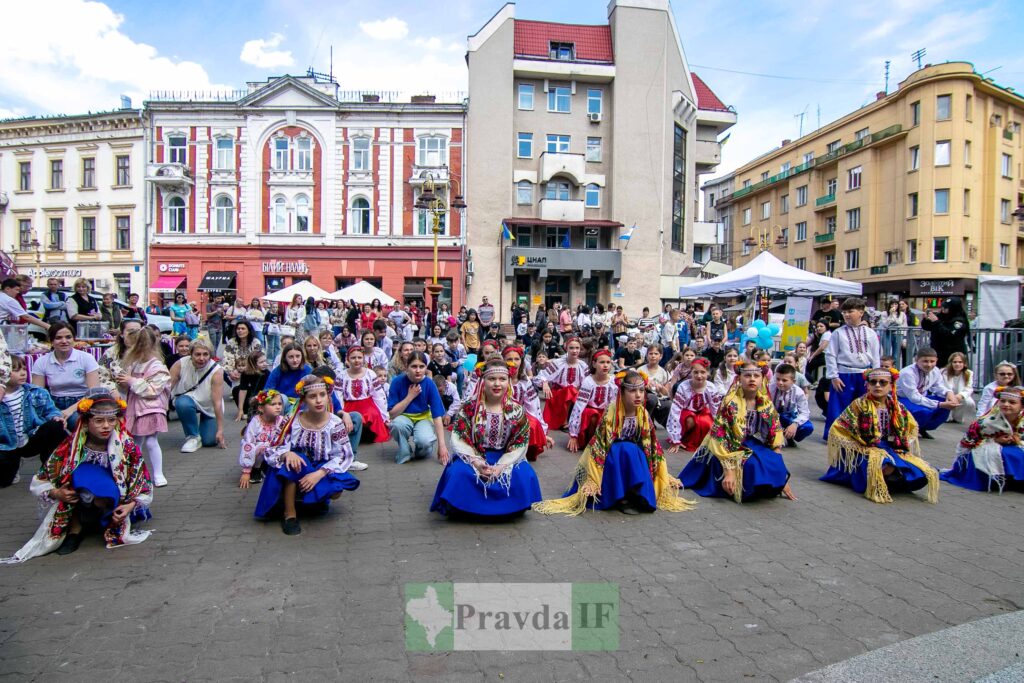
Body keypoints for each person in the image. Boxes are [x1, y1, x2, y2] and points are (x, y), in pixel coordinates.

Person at [3, 389, 152, 562]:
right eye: (99, 421)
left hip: (115, 501)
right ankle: (75, 529)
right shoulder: (70, 447)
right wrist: (57, 493)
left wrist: (131, 505)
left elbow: (142, 481)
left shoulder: (127, 446)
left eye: (111, 420)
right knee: (77, 473)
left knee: (101, 484)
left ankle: (104, 518)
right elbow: (42, 478)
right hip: (79, 500)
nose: (106, 426)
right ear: (86, 422)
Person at [533, 370, 696, 515]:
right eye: (632, 391)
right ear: (622, 392)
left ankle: (637, 493)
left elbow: (652, 444)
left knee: (635, 451)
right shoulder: (612, 412)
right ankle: (621, 495)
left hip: (633, 456)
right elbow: (601, 445)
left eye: (641, 390)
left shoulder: (643, 414)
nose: (638, 395)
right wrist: (593, 479)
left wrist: (659, 472)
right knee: (625, 450)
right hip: (611, 458)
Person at [429, 358, 542, 519]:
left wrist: (501, 466)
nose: (497, 384)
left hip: (505, 457)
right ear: (483, 381)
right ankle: (468, 506)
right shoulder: (469, 406)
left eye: (502, 379)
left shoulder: (516, 409)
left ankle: (508, 506)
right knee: (458, 473)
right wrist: (477, 463)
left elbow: (520, 442)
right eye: (492, 379)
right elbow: (460, 437)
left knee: (524, 474)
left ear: (508, 381)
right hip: (474, 454)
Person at [253, 374, 360, 535]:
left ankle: (312, 499)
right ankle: (290, 514)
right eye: (312, 396)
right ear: (304, 399)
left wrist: (319, 474)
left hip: (319, 467)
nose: (318, 401)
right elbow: (274, 446)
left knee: (337, 489)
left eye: (322, 395)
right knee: (296, 461)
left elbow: (343, 455)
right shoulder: (292, 420)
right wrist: (286, 454)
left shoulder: (335, 423)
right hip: (296, 467)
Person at [679, 361, 797, 503]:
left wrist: (781, 475)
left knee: (772, 461)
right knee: (751, 465)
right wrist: (729, 471)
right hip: (725, 446)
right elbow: (719, 438)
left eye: (756, 375)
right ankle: (744, 487)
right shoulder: (730, 402)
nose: (752, 379)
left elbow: (774, 437)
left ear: (763, 379)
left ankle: (763, 485)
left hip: (748, 441)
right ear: (739, 378)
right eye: (747, 375)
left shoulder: (765, 402)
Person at [824, 367, 939, 504]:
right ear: (867, 385)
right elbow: (839, 428)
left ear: (891, 386)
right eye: (873, 382)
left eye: (883, 383)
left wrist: (901, 442)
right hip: (864, 447)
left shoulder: (897, 407)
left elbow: (911, 427)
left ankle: (892, 478)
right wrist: (858, 444)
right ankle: (883, 478)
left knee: (926, 473)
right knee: (883, 465)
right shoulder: (859, 404)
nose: (878, 385)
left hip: (890, 447)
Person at [116, 328, 171, 487]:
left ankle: (158, 474)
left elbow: (152, 391)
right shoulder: (133, 365)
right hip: (135, 409)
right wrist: (124, 383)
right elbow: (127, 389)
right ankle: (134, 472)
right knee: (135, 442)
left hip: (150, 408)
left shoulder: (157, 367)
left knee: (151, 441)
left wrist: (131, 381)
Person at [942, 386, 1024, 493]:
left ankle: (1016, 481)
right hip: (978, 454)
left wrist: (1017, 440)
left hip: (1008, 450)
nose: (1006, 404)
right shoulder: (985, 422)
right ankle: (994, 480)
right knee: (1004, 453)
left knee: (1017, 452)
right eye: (1002, 401)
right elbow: (966, 445)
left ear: (1022, 406)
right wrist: (995, 441)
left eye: (1012, 402)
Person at [0, 356, 66, 487]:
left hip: (30, 438)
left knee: (56, 426)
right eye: (16, 370)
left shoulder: (36, 392)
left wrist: (56, 416)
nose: (23, 373)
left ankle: (50, 471)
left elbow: (51, 410)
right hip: (6, 445)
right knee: (4, 481)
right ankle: (13, 465)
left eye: (24, 369)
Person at [824, 298, 880, 438]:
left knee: (865, 406)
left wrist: (875, 377)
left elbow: (876, 355)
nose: (847, 315)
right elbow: (831, 355)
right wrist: (834, 376)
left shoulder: (871, 333)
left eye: (850, 311)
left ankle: (863, 433)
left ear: (861, 312)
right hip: (844, 373)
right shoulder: (838, 333)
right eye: (844, 312)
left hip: (864, 373)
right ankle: (836, 434)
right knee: (840, 406)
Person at [31, 323, 100, 430]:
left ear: (74, 339)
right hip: (53, 403)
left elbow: (94, 392)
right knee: (51, 425)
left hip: (82, 401)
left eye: (68, 337)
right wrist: (53, 413)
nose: (64, 341)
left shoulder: (86, 358)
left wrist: (70, 410)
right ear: (51, 341)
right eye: (58, 338)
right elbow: (37, 394)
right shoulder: (42, 362)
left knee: (75, 422)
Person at [388, 351, 449, 465]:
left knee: (424, 442)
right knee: (396, 425)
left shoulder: (429, 384)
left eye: (422, 366)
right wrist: (410, 397)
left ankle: (423, 451)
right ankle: (405, 450)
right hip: (403, 417)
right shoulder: (397, 382)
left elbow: (437, 416)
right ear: (407, 367)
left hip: (423, 418)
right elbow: (392, 414)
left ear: (426, 367)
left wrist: (442, 446)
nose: (418, 370)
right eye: (414, 366)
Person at [169, 339, 226, 453]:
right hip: (187, 400)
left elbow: (217, 402)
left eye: (205, 354)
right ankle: (193, 436)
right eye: (197, 354)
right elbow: (167, 387)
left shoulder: (217, 371)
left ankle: (204, 432)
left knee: (209, 441)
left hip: (209, 405)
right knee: (182, 403)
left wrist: (220, 430)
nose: (201, 358)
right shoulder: (180, 364)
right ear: (191, 354)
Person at [896, 347, 959, 438]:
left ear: (936, 360)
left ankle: (923, 428)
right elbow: (913, 397)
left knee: (946, 403)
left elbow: (938, 387)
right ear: (916, 360)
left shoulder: (935, 370)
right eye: (925, 361)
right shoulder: (907, 373)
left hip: (921, 396)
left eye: (932, 361)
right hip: (903, 399)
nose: (929, 365)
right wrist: (939, 404)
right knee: (924, 412)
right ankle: (909, 429)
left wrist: (949, 393)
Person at [666, 357, 722, 452]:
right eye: (695, 372)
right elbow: (675, 411)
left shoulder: (711, 388)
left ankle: (703, 440)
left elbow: (716, 410)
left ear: (708, 373)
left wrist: (720, 434)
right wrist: (674, 439)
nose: (699, 376)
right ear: (691, 372)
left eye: (703, 372)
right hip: (685, 413)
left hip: (702, 412)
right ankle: (681, 438)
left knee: (706, 422)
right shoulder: (683, 387)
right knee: (690, 420)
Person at [336, 346, 390, 444]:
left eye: (359, 357)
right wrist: (341, 411)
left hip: (367, 404)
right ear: (348, 359)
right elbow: (338, 396)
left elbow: (378, 395)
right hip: (349, 405)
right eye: (353, 358)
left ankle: (366, 436)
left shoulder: (370, 373)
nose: (356, 360)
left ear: (363, 358)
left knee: (372, 415)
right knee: (351, 419)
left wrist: (384, 416)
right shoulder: (342, 376)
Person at [567, 349, 618, 452]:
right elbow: (579, 406)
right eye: (602, 362)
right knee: (592, 414)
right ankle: (590, 441)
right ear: (594, 364)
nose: (605, 365)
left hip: (607, 413)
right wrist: (573, 435)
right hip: (590, 416)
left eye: (608, 362)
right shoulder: (588, 381)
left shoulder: (613, 381)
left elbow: (614, 404)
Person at [537, 336, 589, 431]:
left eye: (577, 348)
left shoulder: (582, 365)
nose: (574, 351)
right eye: (571, 348)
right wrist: (544, 382)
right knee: (570, 390)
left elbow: (588, 382)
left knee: (574, 391)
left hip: (575, 394)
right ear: (566, 348)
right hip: (558, 394)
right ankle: (565, 422)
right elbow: (543, 375)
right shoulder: (558, 363)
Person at [238, 389, 286, 488]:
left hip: (274, 451)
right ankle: (256, 469)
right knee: (260, 446)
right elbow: (248, 443)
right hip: (258, 453)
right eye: (273, 404)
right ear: (261, 408)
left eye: (279, 404)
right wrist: (246, 471)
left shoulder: (282, 420)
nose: (278, 407)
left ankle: (271, 468)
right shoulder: (255, 422)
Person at [770, 364, 813, 446]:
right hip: (772, 416)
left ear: (793, 381)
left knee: (808, 427)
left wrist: (795, 424)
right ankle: (773, 437)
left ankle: (789, 437)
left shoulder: (799, 392)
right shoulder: (770, 388)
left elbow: (805, 413)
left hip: (788, 417)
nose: (780, 383)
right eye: (778, 379)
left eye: (784, 380)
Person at [921, 297, 970, 367]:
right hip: (938, 352)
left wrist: (936, 322)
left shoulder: (959, 321)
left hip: (952, 354)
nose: (943, 308)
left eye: (946, 307)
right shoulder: (940, 316)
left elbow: (949, 335)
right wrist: (926, 319)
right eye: (943, 306)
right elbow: (927, 327)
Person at [640, 344, 672, 427]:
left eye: (656, 354)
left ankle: (671, 430)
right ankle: (645, 425)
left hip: (659, 399)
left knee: (669, 404)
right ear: (647, 355)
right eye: (650, 354)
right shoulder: (640, 370)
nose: (653, 356)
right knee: (651, 398)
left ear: (660, 356)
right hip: (644, 399)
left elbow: (666, 393)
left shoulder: (664, 372)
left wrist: (660, 388)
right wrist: (644, 386)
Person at [235, 350, 270, 423]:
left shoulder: (266, 373)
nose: (265, 364)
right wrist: (240, 409)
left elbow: (268, 390)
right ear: (253, 364)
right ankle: (245, 411)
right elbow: (243, 390)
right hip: (253, 394)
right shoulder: (246, 373)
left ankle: (259, 411)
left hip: (263, 395)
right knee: (236, 389)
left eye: (265, 361)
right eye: (261, 362)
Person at [942, 352, 975, 424]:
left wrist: (961, 395)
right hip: (947, 395)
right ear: (951, 363)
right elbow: (944, 387)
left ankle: (957, 417)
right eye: (955, 362)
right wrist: (951, 395)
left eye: (960, 362)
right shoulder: (944, 372)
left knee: (969, 402)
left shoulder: (969, 373)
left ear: (964, 363)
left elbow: (969, 388)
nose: (957, 364)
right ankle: (946, 416)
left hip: (960, 395)